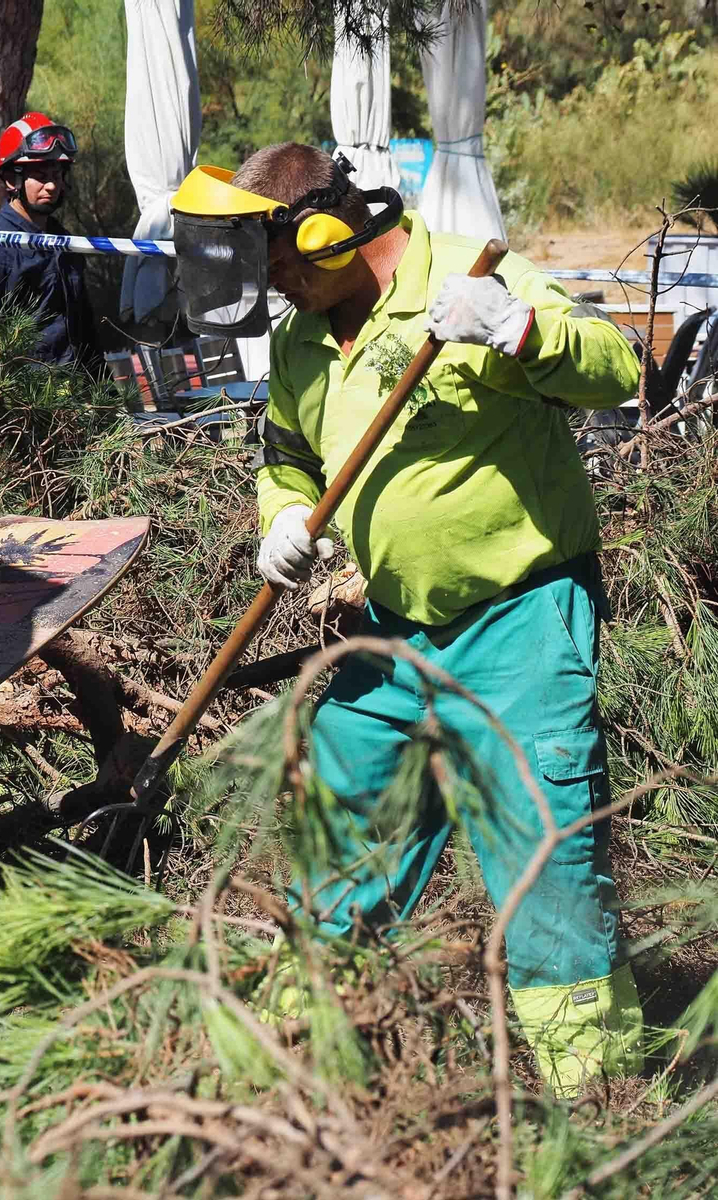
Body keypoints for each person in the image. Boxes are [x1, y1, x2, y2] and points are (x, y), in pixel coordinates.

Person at [170, 143, 644, 1096]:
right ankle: (291, 1080)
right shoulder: (306, 337)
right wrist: (280, 521)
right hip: (394, 639)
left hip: (518, 622)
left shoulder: (470, 274)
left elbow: (618, 368)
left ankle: (595, 1097)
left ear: (327, 234)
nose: (277, 290)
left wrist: (515, 331)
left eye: (280, 267)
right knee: (342, 843)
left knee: (545, 868)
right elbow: (289, 458)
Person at [0, 112, 100, 371]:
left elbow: (85, 333)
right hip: (22, 402)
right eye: (41, 176)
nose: (52, 186)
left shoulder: (65, 243)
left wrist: (106, 399)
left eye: (57, 175)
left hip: (74, 397)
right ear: (12, 179)